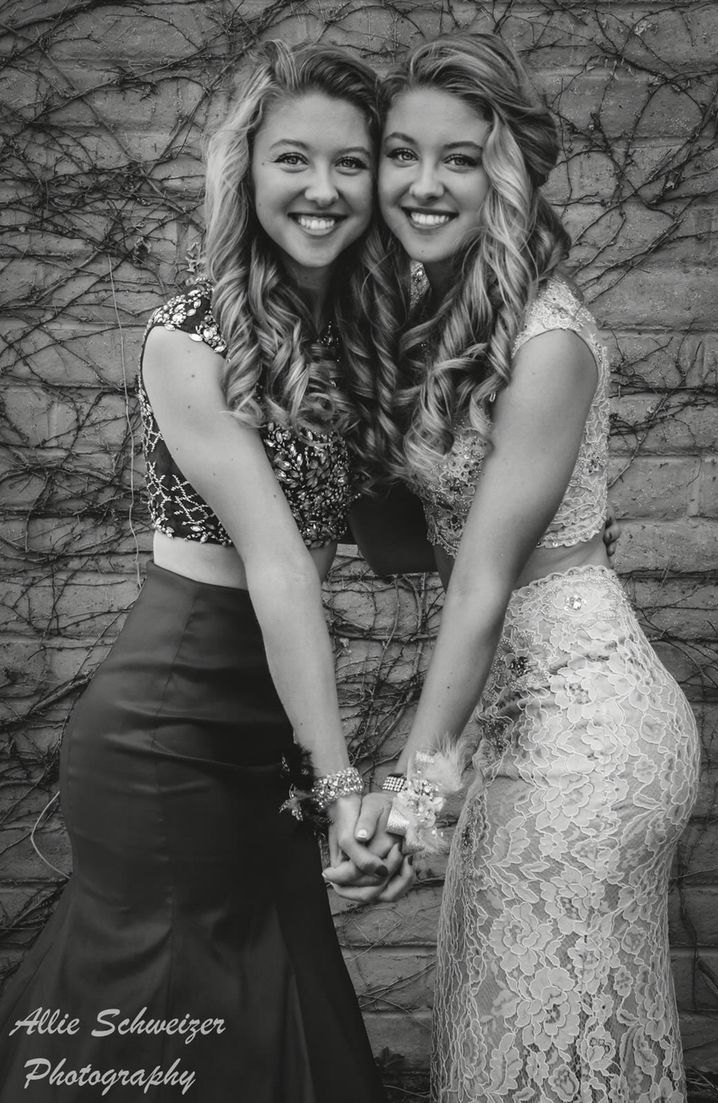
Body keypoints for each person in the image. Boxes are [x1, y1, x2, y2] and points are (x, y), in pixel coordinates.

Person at [0, 41, 410, 1103]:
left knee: (279, 1017)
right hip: (166, 733)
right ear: (249, 170)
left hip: (261, 732)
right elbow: (278, 566)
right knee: (169, 1044)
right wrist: (340, 783)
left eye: (351, 163)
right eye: (293, 159)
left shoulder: (355, 337)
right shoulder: (187, 337)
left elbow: (390, 544)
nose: (322, 189)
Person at [330, 32, 701, 1103]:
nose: (423, 183)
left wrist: (405, 802)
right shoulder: (430, 320)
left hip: (590, 729)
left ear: (508, 169)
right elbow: (408, 547)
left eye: (460, 156)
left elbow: (483, 579)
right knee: (502, 1042)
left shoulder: (548, 339)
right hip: (511, 722)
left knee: (532, 1058)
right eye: (401, 153)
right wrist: (351, 415)